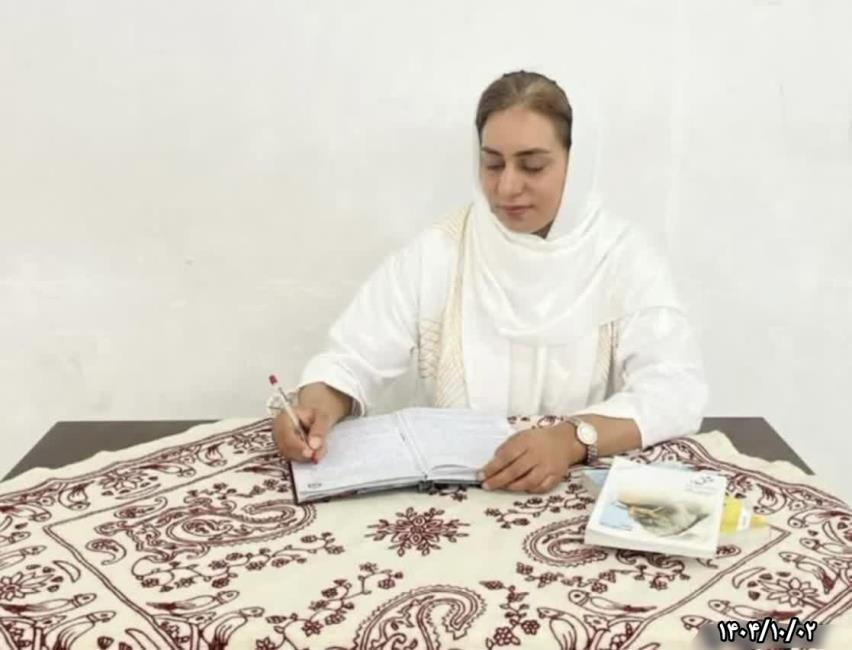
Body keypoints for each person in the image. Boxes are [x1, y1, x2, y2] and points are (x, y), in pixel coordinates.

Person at [271, 70, 708, 494]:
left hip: (574, 498)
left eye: (532, 166)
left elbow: (675, 389)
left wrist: (571, 439)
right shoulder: (442, 251)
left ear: (577, 164)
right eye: (492, 164)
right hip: (453, 500)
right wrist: (316, 410)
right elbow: (352, 358)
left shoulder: (624, 258)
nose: (506, 187)